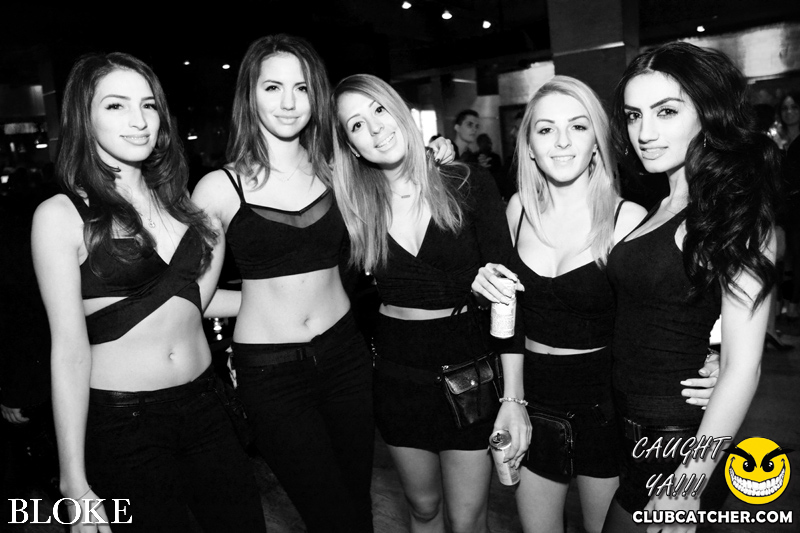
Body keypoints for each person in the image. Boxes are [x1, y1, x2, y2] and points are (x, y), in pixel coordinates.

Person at [191, 34, 454, 533]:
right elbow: (195, 299)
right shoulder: (219, 188)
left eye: (302, 88)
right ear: (250, 95)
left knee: (358, 507)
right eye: (273, 87)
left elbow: (401, 182)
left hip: (346, 361)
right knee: (331, 516)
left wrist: (435, 152)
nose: (289, 102)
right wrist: (262, 300)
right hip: (272, 376)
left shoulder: (339, 174)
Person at [471, 76, 720, 533]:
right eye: (546, 129)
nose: (562, 141)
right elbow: (511, 315)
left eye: (578, 126)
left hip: (605, 402)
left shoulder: (628, 218)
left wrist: (715, 357)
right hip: (532, 397)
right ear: (529, 147)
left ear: (597, 144)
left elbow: (673, 305)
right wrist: (512, 397)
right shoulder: (517, 210)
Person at [31, 52, 266, 533]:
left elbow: (189, 304)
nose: (139, 121)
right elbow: (69, 351)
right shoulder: (61, 215)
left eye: (148, 105)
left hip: (207, 405)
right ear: (84, 117)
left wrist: (284, 300)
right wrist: (74, 483)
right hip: (125, 423)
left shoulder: (181, 205)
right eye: (116, 105)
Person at [331, 73, 530, 533]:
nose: (375, 128)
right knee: (422, 508)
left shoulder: (467, 182)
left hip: (467, 369)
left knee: (466, 519)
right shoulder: (354, 207)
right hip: (396, 375)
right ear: (352, 147)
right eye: (356, 125)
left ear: (400, 110)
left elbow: (509, 293)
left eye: (379, 109)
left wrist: (514, 397)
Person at [603, 42, 779, 532]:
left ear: (707, 113)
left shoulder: (735, 213)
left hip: (678, 443)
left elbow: (745, 365)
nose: (645, 132)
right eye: (634, 115)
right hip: (631, 434)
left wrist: (690, 480)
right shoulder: (658, 203)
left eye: (666, 112)